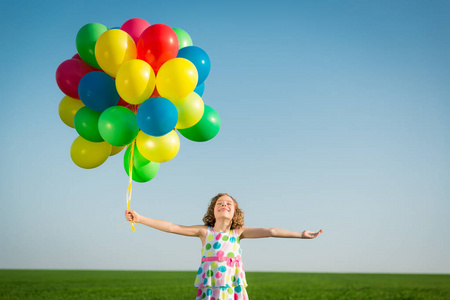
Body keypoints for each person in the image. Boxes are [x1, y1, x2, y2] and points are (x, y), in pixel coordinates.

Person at [125, 193, 323, 300]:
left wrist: (300, 235)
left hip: (233, 288)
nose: (224, 205)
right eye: (219, 203)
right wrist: (140, 218)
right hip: (211, 288)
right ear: (213, 210)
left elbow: (271, 231)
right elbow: (171, 227)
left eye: (229, 203)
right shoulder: (205, 232)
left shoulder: (238, 233)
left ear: (235, 212)